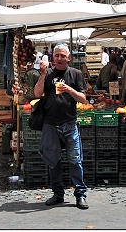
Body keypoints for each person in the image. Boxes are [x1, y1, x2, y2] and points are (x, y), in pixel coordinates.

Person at [34, 44, 88, 210]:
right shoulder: (48, 74)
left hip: (70, 123)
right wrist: (42, 75)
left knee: (75, 160)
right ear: (52, 57)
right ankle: (58, 194)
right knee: (53, 161)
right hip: (51, 124)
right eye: (56, 55)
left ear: (68, 58)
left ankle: (80, 195)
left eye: (62, 56)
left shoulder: (75, 74)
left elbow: (83, 99)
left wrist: (69, 89)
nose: (59, 58)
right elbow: (37, 93)